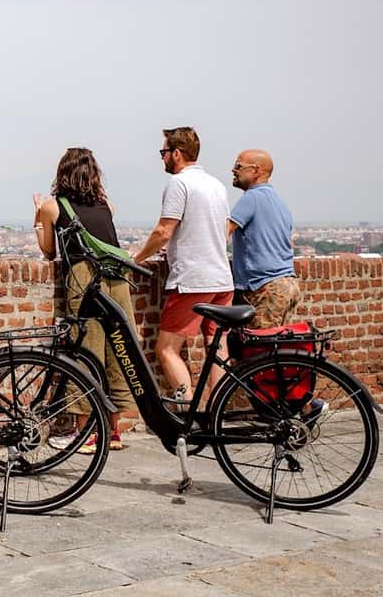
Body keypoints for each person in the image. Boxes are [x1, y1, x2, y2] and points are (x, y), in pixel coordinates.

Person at [34, 147, 137, 453]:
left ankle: (86, 434)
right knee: (120, 349)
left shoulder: (55, 206)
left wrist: (38, 217)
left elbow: (49, 251)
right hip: (117, 279)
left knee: (86, 353)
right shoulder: (106, 205)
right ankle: (113, 431)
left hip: (85, 279)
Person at [132, 127, 233, 397]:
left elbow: (163, 231)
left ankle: (187, 414)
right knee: (217, 348)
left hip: (193, 279)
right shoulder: (217, 185)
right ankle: (215, 414)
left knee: (166, 348)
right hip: (222, 278)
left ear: (176, 153)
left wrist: (138, 258)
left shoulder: (179, 183)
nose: (162, 158)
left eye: (164, 152)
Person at [228, 149, 300, 327]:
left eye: (238, 166)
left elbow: (222, 232)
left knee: (258, 349)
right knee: (275, 348)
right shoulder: (280, 202)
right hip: (287, 284)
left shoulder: (252, 197)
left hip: (265, 286)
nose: (233, 170)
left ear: (256, 171)